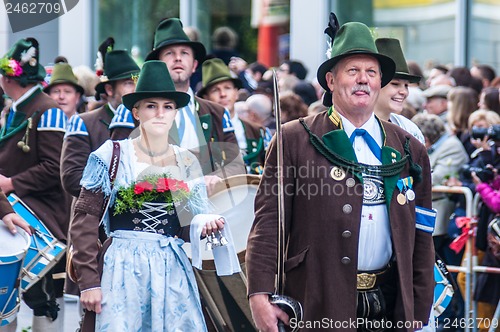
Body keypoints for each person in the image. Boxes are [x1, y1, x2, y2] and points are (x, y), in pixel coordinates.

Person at [246, 21, 435, 332]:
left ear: (380, 82)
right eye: (353, 71)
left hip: (389, 303)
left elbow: (422, 235)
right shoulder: (295, 138)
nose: (363, 80)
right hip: (317, 300)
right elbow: (268, 225)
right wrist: (259, 296)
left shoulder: (409, 149)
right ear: (331, 81)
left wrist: (418, 305)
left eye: (371, 72)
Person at [69, 60, 231, 331]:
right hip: (120, 267)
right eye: (151, 106)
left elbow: (185, 227)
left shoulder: (187, 161)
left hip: (170, 270)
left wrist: (205, 225)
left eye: (168, 107)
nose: (160, 114)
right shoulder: (111, 155)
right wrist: (89, 283)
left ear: (175, 113)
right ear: (136, 112)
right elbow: (84, 220)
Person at [0, 38, 69, 332]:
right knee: (6, 295)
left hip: (43, 214)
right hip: (12, 206)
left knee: (41, 298)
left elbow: (56, 170)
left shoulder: (48, 110)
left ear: (6, 78)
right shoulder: (13, 110)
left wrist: (11, 183)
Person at [145, 17, 244, 194]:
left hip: (210, 209)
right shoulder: (139, 110)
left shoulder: (216, 112)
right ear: (158, 64)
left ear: (194, 65)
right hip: (159, 211)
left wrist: (217, 178)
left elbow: (236, 164)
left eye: (184, 53)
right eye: (169, 53)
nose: (177, 58)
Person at [62, 49, 140, 198]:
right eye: (129, 83)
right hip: (94, 217)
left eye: (138, 82)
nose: (136, 89)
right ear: (110, 89)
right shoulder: (83, 122)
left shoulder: (147, 121)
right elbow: (72, 179)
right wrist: (122, 192)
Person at [197, 57, 267, 174]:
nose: (223, 94)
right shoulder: (202, 132)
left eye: (227, 88)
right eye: (215, 90)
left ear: (236, 93)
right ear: (206, 98)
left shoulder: (258, 131)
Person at [374, 38, 425, 145]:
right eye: (395, 84)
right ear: (374, 83)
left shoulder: (409, 129)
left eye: (406, 85)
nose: (404, 92)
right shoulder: (355, 126)